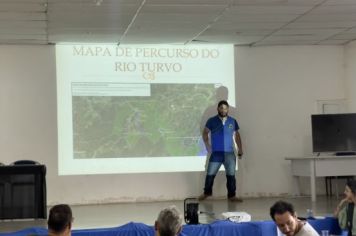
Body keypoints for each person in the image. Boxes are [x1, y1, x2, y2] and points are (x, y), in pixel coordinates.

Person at [198, 100, 243, 202]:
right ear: (218, 109)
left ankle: (232, 196)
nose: (223, 110)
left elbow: (237, 136)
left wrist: (240, 149)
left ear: (228, 109)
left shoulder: (232, 121)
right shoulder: (211, 120)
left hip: (229, 154)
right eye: (221, 108)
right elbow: (205, 133)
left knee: (231, 175)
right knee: (210, 174)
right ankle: (206, 193)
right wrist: (207, 145)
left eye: (225, 108)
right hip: (216, 153)